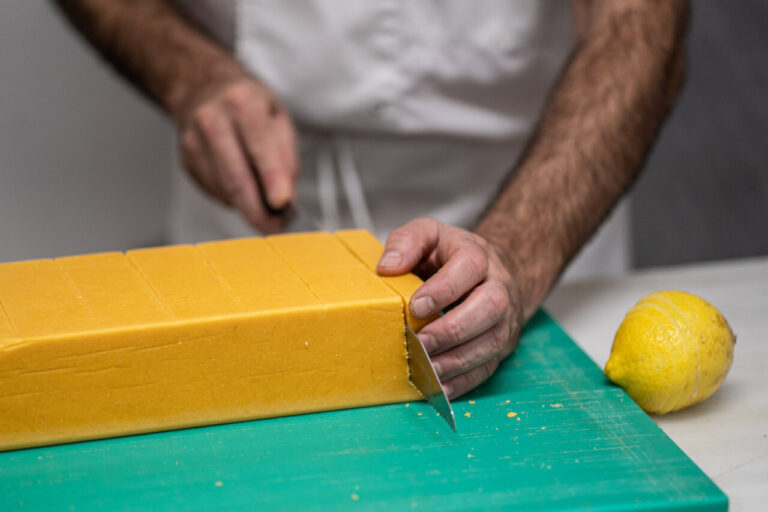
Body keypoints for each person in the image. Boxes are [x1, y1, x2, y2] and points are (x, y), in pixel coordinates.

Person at [54, 0, 688, 398]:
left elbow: (642, 28)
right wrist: (190, 74)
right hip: (245, 215)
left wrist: (518, 255)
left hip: (533, 205)